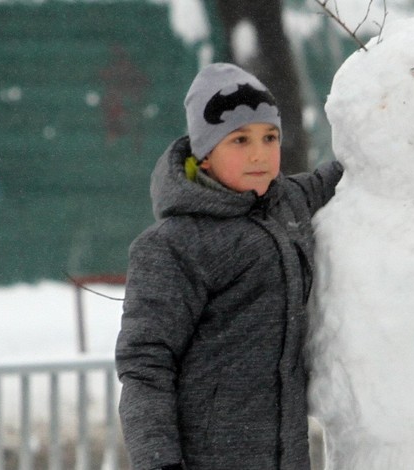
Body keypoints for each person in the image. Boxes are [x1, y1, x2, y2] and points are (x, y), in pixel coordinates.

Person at [115, 63, 343, 470]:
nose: (259, 153)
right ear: (204, 156)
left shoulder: (287, 202)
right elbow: (146, 364)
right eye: (239, 139)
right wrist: (158, 461)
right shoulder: (174, 245)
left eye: (269, 137)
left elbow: (344, 174)